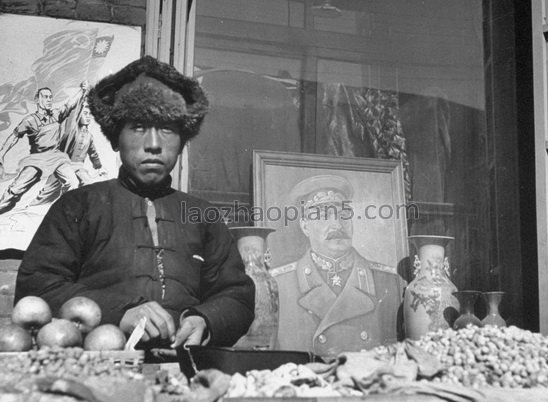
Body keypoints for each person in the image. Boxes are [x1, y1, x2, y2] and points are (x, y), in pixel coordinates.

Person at [15, 56, 255, 348]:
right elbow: (37, 287)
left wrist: (205, 319)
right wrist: (119, 312)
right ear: (116, 139)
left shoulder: (202, 215)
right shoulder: (78, 206)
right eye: (139, 127)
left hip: (187, 369)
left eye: (167, 128)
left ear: (182, 140)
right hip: (98, 368)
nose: (153, 144)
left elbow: (236, 295)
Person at [271, 175, 402, 357]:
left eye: (344, 215)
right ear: (305, 226)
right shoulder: (278, 284)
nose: (337, 225)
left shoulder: (387, 281)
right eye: (324, 216)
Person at [0, 83, 87, 214]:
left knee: (72, 183)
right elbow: (14, 137)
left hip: (56, 157)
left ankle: (63, 214)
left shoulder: (56, 115)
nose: (49, 100)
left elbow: (69, 104)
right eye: (45, 97)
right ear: (37, 100)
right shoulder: (29, 120)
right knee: (15, 189)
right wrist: (1, 153)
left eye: (50, 97)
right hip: (37, 159)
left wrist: (82, 90)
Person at [29, 99, 107, 206]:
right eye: (85, 113)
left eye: (89, 114)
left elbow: (93, 153)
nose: (88, 116)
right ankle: (31, 206)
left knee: (88, 184)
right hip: (64, 165)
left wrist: (99, 167)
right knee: (46, 195)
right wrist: (82, 96)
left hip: (78, 167)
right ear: (79, 115)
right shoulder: (72, 131)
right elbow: (73, 116)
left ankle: (70, 209)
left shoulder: (89, 136)